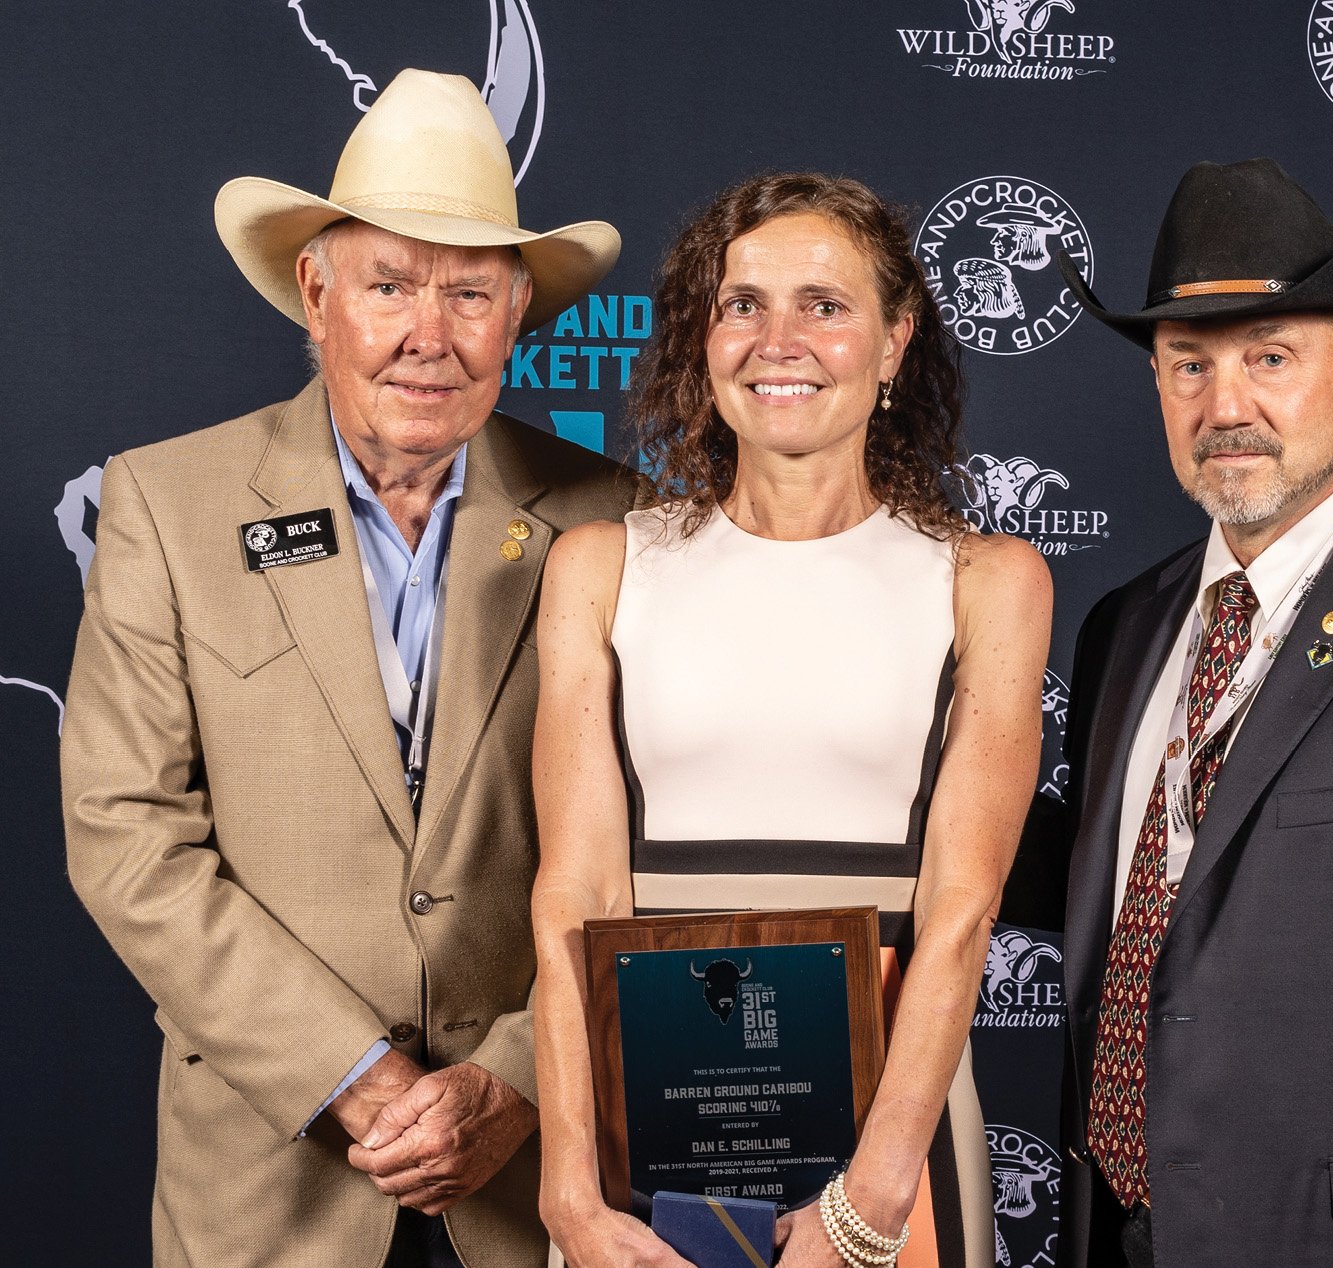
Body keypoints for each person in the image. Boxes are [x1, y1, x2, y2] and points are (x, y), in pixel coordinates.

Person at [60, 70, 635, 1268]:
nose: (431, 335)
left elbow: (650, 836)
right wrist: (356, 1075)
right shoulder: (166, 504)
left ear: (518, 314)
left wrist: (517, 1078)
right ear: (315, 295)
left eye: (471, 292)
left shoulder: (611, 516)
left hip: (537, 1181)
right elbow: (126, 834)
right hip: (272, 1179)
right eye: (390, 286)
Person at [529, 172, 1052, 1267]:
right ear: (702, 339)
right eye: (742, 304)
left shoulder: (986, 580)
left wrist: (872, 1196)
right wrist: (572, 1186)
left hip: (888, 1140)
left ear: (897, 340)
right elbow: (573, 897)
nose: (780, 339)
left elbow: (962, 908)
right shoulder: (599, 567)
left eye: (824, 304)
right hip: (647, 1140)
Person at [1053, 157, 1333, 1266]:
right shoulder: (1122, 628)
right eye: (1188, 364)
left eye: (1271, 358)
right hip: (1121, 1231)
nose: (1225, 405)